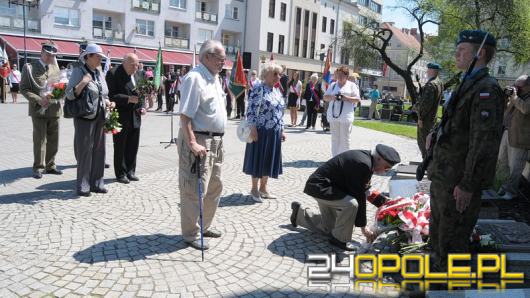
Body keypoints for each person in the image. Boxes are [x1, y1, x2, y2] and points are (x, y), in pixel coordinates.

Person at [427, 30, 504, 271]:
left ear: (479, 54)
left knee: (452, 243)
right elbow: (458, 124)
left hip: (458, 182)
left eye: (462, 51)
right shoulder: (468, 83)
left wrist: (468, 184)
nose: (456, 55)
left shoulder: (486, 89)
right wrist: (436, 132)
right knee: (438, 237)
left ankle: (449, 288)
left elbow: (483, 142)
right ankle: (436, 282)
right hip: (444, 177)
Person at [290, 144, 401, 250]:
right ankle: (339, 239)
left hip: (330, 187)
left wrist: (384, 202)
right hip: (320, 187)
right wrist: (363, 227)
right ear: (379, 159)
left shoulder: (368, 160)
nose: (385, 171)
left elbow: (364, 188)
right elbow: (359, 196)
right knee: (351, 204)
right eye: (386, 167)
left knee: (331, 227)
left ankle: (299, 214)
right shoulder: (363, 164)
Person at [178, 40, 227, 250]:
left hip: (216, 141)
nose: (223, 63)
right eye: (220, 59)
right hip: (199, 140)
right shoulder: (194, 78)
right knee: (194, 188)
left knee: (214, 186)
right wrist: (191, 143)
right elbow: (185, 117)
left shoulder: (214, 78)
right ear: (207, 56)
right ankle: (191, 234)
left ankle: (204, 225)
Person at [66, 43, 115, 196]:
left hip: (100, 115)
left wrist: (108, 102)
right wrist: (83, 82)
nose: (100, 59)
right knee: (85, 151)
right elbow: (69, 94)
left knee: (100, 151)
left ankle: (97, 183)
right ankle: (83, 185)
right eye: (98, 56)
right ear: (88, 57)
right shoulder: (78, 71)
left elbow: (103, 93)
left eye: (101, 57)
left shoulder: (99, 73)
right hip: (84, 117)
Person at [243, 62, 286, 203]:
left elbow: (280, 112)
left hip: (274, 132)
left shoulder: (277, 91)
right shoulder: (258, 89)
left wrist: (282, 130)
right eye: (275, 74)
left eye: (279, 74)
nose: (278, 77)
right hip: (260, 131)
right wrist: (253, 129)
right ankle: (254, 189)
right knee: (258, 159)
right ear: (266, 74)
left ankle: (263, 188)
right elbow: (250, 111)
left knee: (268, 160)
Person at [20, 41, 63, 179]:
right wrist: (39, 100)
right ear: (42, 53)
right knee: (39, 139)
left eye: (53, 55)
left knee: (53, 139)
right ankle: (38, 167)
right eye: (48, 55)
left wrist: (58, 94)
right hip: (38, 110)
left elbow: (60, 88)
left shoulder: (56, 69)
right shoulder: (30, 68)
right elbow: (24, 89)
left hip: (54, 109)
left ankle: (51, 165)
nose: (51, 58)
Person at [106, 53, 142, 184]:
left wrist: (141, 106)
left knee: (133, 145)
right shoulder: (113, 73)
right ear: (125, 63)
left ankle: (130, 171)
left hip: (135, 116)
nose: (136, 68)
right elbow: (110, 96)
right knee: (120, 146)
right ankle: (120, 173)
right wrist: (128, 99)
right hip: (121, 116)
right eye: (133, 65)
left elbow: (140, 94)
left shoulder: (137, 74)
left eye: (137, 65)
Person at [497, 75, 530, 200]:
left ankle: (511, 191)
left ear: (527, 86)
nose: (516, 88)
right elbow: (506, 110)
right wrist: (506, 97)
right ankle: (502, 186)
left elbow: (525, 109)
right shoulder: (517, 97)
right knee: (502, 162)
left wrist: (515, 97)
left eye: (518, 86)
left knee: (515, 167)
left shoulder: (523, 98)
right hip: (508, 133)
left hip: (520, 139)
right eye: (515, 85)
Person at [323, 66, 361, 157]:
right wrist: (333, 97)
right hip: (333, 116)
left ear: (346, 75)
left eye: (341, 75)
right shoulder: (333, 85)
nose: (339, 77)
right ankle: (335, 158)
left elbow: (357, 99)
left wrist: (346, 98)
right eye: (338, 75)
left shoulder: (352, 85)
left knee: (345, 138)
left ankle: (344, 158)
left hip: (345, 116)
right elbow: (325, 97)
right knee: (334, 138)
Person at [416, 62, 444, 158]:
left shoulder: (431, 85)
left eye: (428, 69)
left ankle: (426, 162)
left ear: (432, 70)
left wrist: (420, 118)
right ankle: (428, 161)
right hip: (433, 118)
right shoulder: (439, 83)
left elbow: (426, 105)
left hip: (426, 119)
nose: (427, 71)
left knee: (423, 142)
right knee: (429, 141)